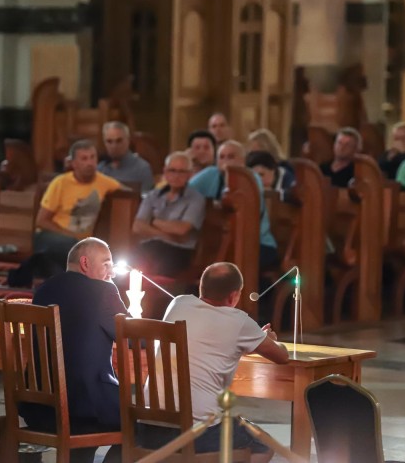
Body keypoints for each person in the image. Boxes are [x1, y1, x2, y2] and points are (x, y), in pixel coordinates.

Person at [139, 262, 289, 462]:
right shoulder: (238, 321)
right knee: (265, 446)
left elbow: (207, 340)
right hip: (198, 434)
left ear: (201, 287)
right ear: (233, 296)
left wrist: (249, 341)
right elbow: (282, 357)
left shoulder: (178, 303)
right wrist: (270, 340)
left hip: (149, 429)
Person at [19, 237, 128, 463]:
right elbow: (132, 336)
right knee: (139, 427)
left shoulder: (44, 290)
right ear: (85, 263)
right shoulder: (103, 290)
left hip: (38, 408)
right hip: (82, 409)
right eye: (106, 264)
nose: (111, 272)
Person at [33, 140, 122, 271]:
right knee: (75, 248)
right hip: (49, 237)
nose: (90, 163)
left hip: (82, 245)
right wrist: (70, 235)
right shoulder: (60, 183)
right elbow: (41, 221)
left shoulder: (104, 182)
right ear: (74, 163)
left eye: (92, 157)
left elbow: (130, 194)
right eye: (84, 159)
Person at [189, 140, 279, 269]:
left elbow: (247, 211)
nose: (225, 161)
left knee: (229, 266)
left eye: (231, 157)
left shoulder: (250, 178)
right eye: (221, 157)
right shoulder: (211, 174)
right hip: (224, 241)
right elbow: (187, 190)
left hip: (257, 243)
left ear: (243, 161)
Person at [132, 152, 206, 277]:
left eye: (182, 172)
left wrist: (153, 221)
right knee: (128, 262)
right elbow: (137, 227)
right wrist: (166, 235)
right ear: (165, 172)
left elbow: (181, 230)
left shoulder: (196, 199)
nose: (176, 176)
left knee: (160, 265)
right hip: (151, 246)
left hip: (178, 251)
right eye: (172, 171)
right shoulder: (153, 195)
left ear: (189, 174)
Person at [98, 121, 154, 191]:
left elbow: (148, 197)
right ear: (104, 143)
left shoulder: (142, 169)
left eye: (119, 141)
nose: (114, 146)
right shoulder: (100, 169)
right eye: (109, 141)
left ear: (128, 140)